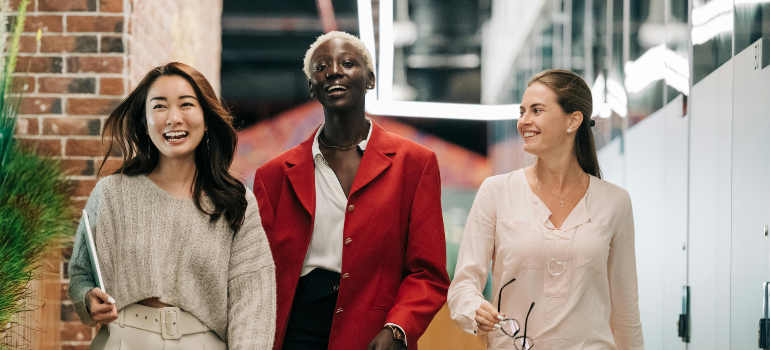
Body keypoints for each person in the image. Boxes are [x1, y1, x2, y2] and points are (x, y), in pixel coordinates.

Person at [253, 31, 450, 350]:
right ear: (311, 86)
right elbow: (258, 272)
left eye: (347, 63)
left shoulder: (414, 164)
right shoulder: (273, 176)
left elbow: (428, 272)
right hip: (294, 333)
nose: (333, 71)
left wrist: (398, 329)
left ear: (370, 79)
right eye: (321, 66)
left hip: (375, 334)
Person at [67, 62, 276, 349]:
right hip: (122, 341)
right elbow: (80, 273)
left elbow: (253, 303)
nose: (173, 118)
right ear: (144, 119)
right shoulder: (111, 194)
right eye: (160, 106)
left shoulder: (235, 201)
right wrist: (88, 299)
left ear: (206, 116)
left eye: (186, 104)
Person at [447, 70, 644, 349]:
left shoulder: (615, 202)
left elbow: (625, 310)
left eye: (536, 110)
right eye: (522, 111)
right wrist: (473, 309)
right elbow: (463, 284)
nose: (523, 121)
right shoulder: (496, 191)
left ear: (573, 121)